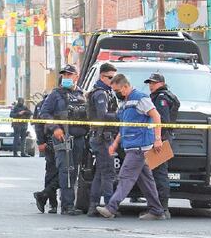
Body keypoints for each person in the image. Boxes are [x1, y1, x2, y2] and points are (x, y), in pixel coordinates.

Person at [96, 73, 167, 221]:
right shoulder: (124, 103)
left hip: (139, 147)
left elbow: (156, 116)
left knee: (125, 177)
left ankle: (111, 208)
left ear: (126, 86)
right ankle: (157, 210)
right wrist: (115, 144)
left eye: (118, 91)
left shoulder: (141, 98)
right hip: (132, 146)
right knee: (146, 181)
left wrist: (158, 139)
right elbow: (124, 127)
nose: (116, 94)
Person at [39, 64, 88, 216]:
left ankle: (45, 195)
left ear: (76, 76)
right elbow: (44, 113)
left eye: (69, 75)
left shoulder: (82, 94)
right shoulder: (56, 94)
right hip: (63, 138)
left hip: (79, 138)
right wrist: (55, 128)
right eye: (64, 75)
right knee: (65, 171)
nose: (66, 77)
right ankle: (67, 206)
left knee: (74, 172)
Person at [85, 62, 119, 217]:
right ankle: (109, 207)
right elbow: (102, 116)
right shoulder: (100, 93)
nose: (113, 81)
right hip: (102, 137)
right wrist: (120, 116)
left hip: (102, 136)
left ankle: (93, 206)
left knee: (100, 173)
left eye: (115, 78)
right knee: (108, 173)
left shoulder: (106, 91)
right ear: (101, 76)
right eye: (110, 78)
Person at [145, 72, 180, 216]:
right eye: (150, 83)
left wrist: (157, 138)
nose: (151, 86)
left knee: (159, 174)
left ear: (161, 83)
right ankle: (159, 207)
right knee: (156, 172)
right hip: (162, 137)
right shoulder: (164, 96)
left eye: (153, 83)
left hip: (160, 139)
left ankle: (161, 208)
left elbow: (162, 120)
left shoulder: (161, 98)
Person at [32, 94, 59, 214]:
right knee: (52, 173)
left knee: (62, 173)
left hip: (64, 139)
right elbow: (38, 124)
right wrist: (41, 141)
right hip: (50, 142)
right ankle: (52, 204)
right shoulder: (43, 104)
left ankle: (43, 196)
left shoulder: (68, 97)